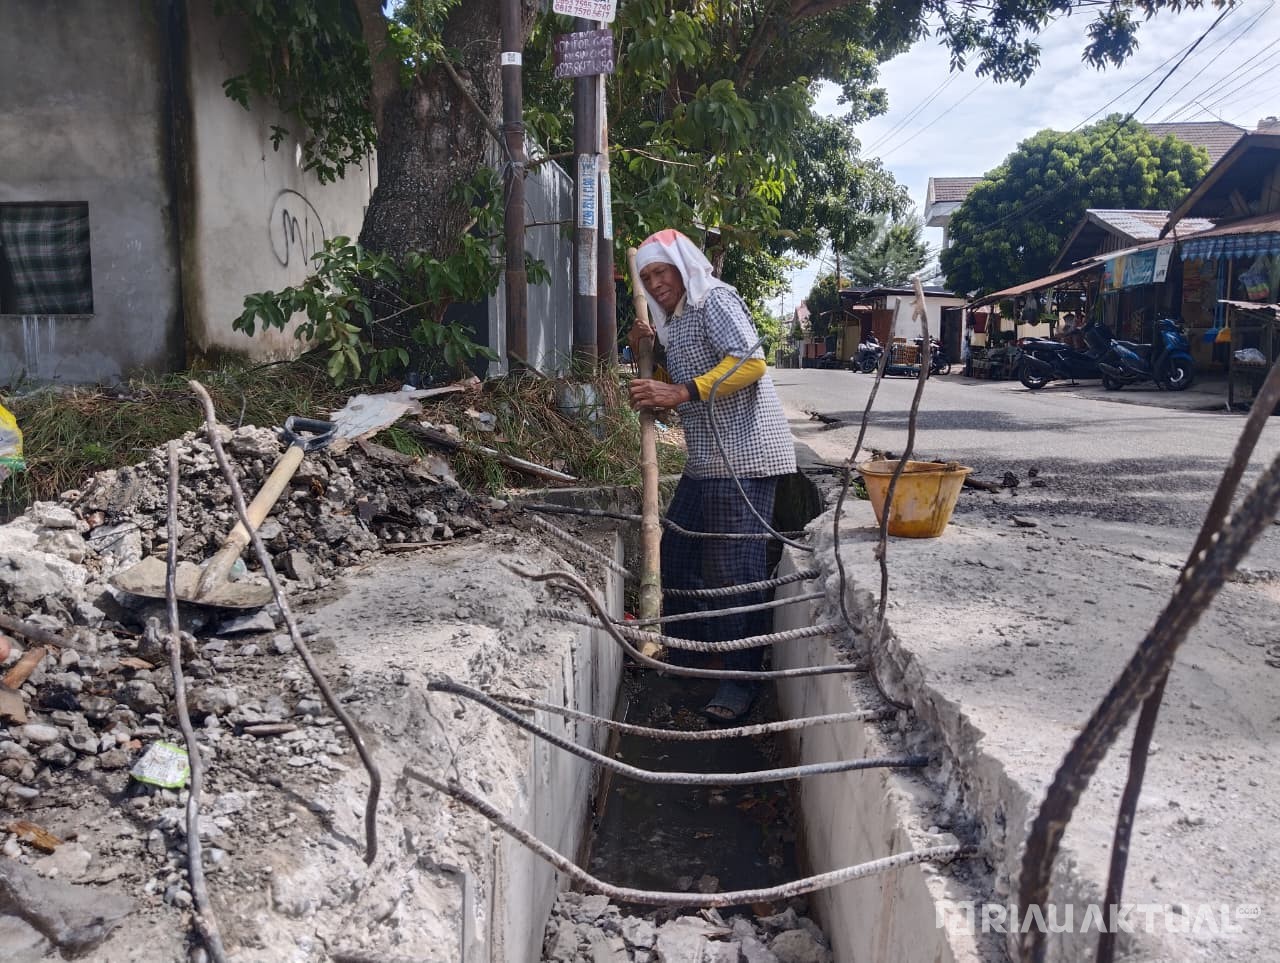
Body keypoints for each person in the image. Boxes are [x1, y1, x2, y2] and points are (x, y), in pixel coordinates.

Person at [627, 229, 797, 723]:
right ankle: (698, 655)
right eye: (647, 277)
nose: (655, 284)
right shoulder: (676, 321)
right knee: (678, 555)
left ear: (683, 268)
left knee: (734, 572)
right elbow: (679, 379)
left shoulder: (714, 300)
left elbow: (750, 362)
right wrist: (647, 356)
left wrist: (680, 393)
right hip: (707, 460)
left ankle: (742, 678)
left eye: (661, 272)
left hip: (745, 454)